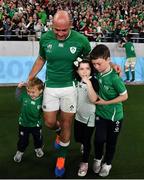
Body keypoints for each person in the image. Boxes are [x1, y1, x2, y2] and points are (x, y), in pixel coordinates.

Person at [28, 10, 91, 177]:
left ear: (70, 25)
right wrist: (30, 77)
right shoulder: (46, 38)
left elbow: (90, 61)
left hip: (70, 87)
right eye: (57, 30)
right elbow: (41, 59)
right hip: (51, 87)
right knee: (49, 122)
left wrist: (110, 65)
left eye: (64, 30)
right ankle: (59, 134)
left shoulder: (81, 40)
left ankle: (61, 158)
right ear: (52, 26)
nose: (60, 33)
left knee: (66, 124)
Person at [89, 44, 128, 177]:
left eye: (99, 64)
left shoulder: (115, 79)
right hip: (100, 114)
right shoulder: (97, 71)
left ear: (108, 60)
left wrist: (106, 102)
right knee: (99, 139)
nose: (96, 67)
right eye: (94, 64)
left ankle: (107, 164)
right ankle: (98, 158)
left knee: (111, 142)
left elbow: (125, 96)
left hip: (115, 117)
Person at [73, 57, 98, 177]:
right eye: (81, 69)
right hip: (78, 116)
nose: (84, 71)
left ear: (91, 70)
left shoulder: (94, 81)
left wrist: (88, 83)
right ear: (77, 71)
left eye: (87, 68)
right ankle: (83, 144)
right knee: (78, 138)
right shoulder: (75, 81)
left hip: (90, 118)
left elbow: (94, 99)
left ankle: (85, 163)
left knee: (87, 140)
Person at [13, 77, 44, 163]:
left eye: (33, 92)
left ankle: (38, 148)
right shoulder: (24, 96)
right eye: (28, 91)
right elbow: (17, 96)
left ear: (41, 91)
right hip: (23, 124)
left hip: (36, 125)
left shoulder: (43, 100)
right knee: (23, 140)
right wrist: (19, 88)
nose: (30, 94)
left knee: (38, 138)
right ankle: (20, 151)